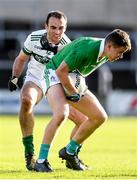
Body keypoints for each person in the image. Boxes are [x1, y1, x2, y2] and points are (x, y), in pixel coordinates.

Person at [34, 29, 131, 171]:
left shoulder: (106, 52)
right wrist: (73, 92)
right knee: (61, 113)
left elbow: (73, 65)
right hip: (53, 73)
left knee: (99, 117)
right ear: (109, 46)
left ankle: (70, 153)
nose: (120, 56)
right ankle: (41, 161)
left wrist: (74, 90)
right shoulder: (87, 48)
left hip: (72, 78)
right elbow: (61, 71)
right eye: (120, 52)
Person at [8, 10, 88, 171]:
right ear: (46, 26)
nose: (57, 32)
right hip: (36, 78)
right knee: (26, 101)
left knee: (84, 120)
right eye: (53, 27)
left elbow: (74, 73)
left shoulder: (67, 45)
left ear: (65, 28)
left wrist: (74, 90)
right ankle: (30, 153)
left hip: (56, 82)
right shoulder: (34, 38)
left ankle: (72, 155)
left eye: (61, 28)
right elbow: (21, 58)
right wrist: (15, 77)